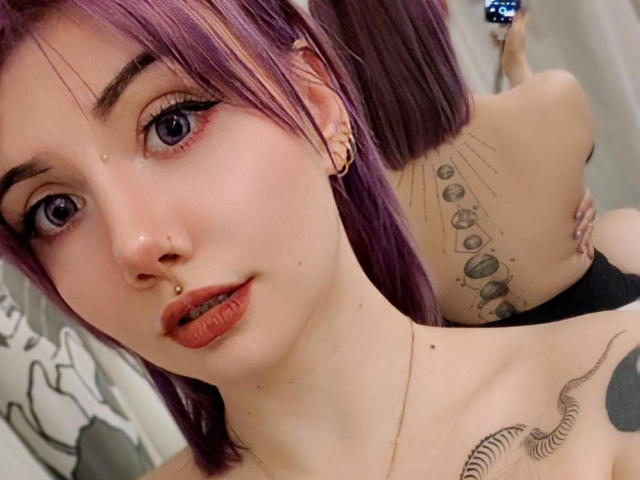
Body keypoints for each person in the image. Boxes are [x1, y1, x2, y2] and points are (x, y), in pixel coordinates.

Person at [1, 2, 640, 480]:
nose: (135, 244)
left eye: (172, 124)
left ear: (318, 102)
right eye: (56, 210)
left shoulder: (611, 401)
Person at [309, 0, 640, 326]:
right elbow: (563, 156)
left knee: (619, 226)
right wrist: (517, 66)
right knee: (624, 224)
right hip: (598, 312)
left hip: (486, 349)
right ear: (439, 11)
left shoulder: (352, 193)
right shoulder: (555, 94)